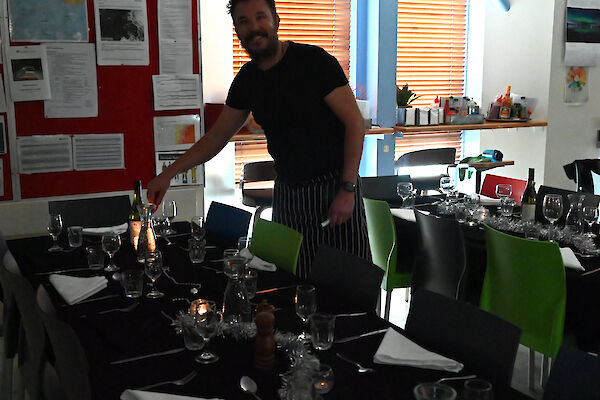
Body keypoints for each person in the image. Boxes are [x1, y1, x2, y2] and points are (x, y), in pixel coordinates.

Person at [147, 0, 370, 278]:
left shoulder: (315, 62)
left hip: (334, 188)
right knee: (291, 280)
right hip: (289, 195)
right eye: (244, 21)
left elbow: (354, 123)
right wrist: (167, 174)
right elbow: (216, 137)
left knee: (345, 285)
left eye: (260, 17)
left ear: (276, 20)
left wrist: (347, 189)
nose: (254, 28)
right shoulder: (247, 80)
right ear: (237, 30)